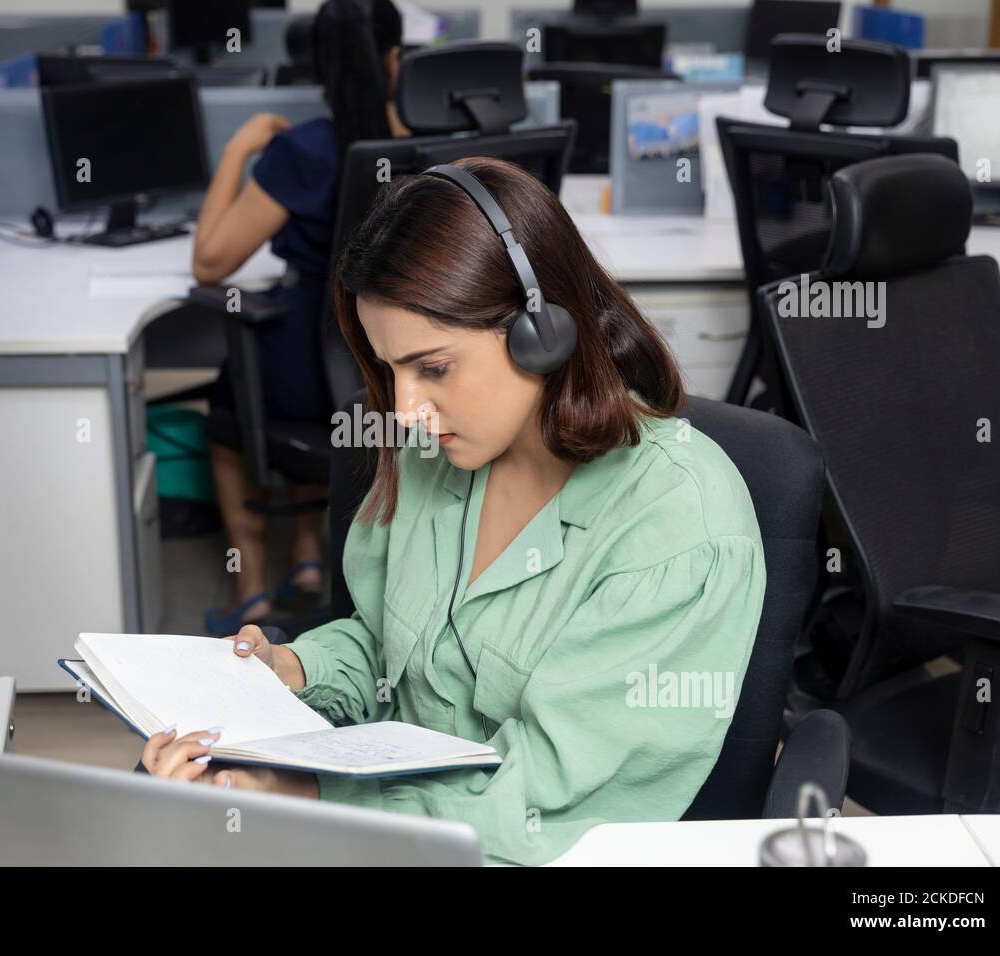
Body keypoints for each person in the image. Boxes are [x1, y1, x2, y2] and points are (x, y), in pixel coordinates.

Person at [146, 156, 767, 866]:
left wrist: (303, 798)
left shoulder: (675, 523)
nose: (406, 412)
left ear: (543, 333)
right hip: (400, 828)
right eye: (389, 371)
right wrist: (294, 667)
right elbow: (391, 651)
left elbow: (542, 805)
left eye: (433, 368)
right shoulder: (443, 452)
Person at [191, 0, 408, 634]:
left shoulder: (306, 149)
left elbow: (210, 261)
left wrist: (238, 148)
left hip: (304, 364)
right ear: (396, 59)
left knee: (230, 406)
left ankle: (251, 586)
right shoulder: (429, 147)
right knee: (332, 403)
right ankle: (310, 558)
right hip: (390, 366)